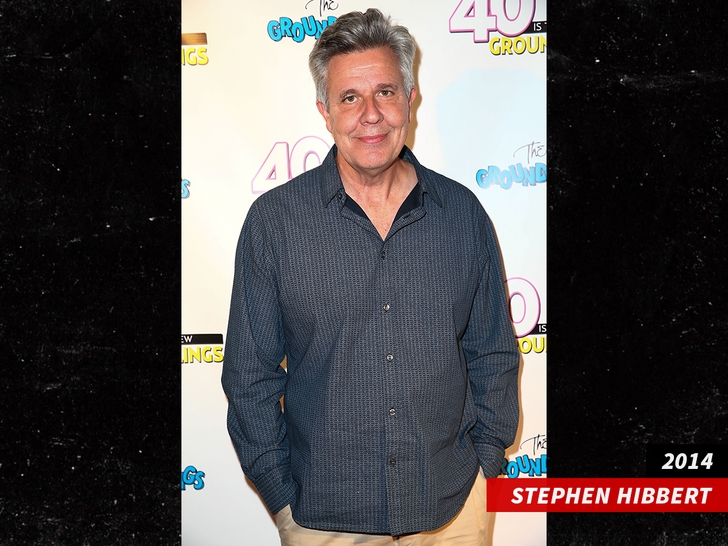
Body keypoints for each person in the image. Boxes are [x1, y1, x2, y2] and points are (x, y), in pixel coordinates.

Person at [222, 8, 520, 545]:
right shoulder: (275, 223)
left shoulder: (462, 215)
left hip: (454, 510)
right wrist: (282, 499)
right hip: (323, 520)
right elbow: (249, 376)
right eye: (350, 98)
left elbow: (493, 351)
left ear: (410, 98)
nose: (371, 115)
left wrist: (487, 463)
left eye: (385, 92)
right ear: (325, 111)